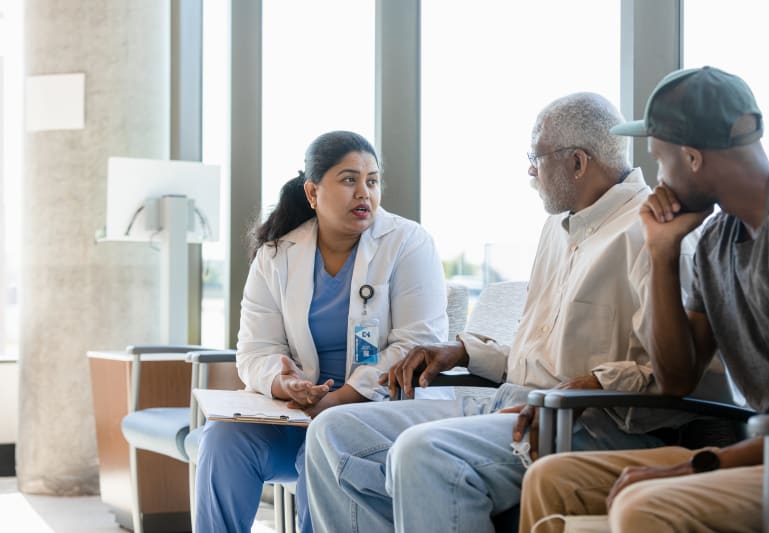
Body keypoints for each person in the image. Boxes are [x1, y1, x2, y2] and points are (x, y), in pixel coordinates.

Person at [305, 93, 716, 533]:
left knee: (424, 453)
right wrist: (463, 351)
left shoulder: (651, 233)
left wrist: (587, 384)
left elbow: (671, 374)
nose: (531, 171)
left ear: (578, 163)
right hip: (511, 401)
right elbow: (538, 356)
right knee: (333, 430)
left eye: (536, 157)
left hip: (587, 424)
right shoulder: (558, 227)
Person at [518, 66, 769, 533]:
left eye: (659, 161)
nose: (657, 179)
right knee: (552, 479)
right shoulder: (715, 241)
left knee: (642, 506)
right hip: (767, 452)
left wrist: (698, 466)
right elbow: (676, 378)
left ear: (692, 158)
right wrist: (661, 252)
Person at [194, 130, 449, 533]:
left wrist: (339, 399)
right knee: (224, 438)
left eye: (372, 181)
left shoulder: (408, 242)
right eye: (349, 180)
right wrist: (283, 383)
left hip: (376, 414)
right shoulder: (277, 254)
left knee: (324, 445)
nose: (364, 192)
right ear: (313, 193)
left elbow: (417, 344)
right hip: (297, 414)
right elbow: (255, 350)